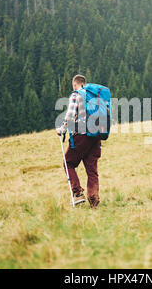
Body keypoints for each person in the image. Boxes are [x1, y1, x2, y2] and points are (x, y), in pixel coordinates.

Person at [57, 75, 102, 208]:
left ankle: (77, 193)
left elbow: (70, 115)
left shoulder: (76, 95)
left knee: (68, 163)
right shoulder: (95, 96)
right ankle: (94, 200)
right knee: (91, 169)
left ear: (75, 84)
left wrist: (62, 129)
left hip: (81, 135)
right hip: (96, 136)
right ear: (85, 83)